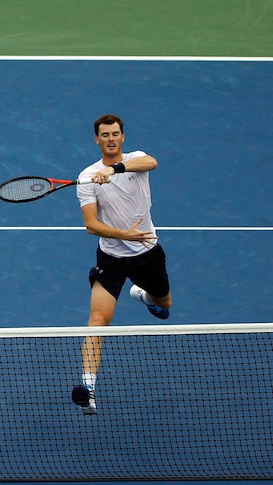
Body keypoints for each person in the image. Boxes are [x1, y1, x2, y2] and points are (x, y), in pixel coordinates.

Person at [74, 114, 172, 414]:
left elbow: (151, 163)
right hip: (112, 258)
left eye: (115, 134)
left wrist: (115, 170)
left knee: (165, 305)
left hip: (147, 252)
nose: (111, 139)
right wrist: (123, 234)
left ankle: (144, 296)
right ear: (97, 139)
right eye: (105, 135)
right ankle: (87, 388)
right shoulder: (86, 177)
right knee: (98, 320)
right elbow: (91, 225)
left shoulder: (135, 159)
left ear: (123, 137)